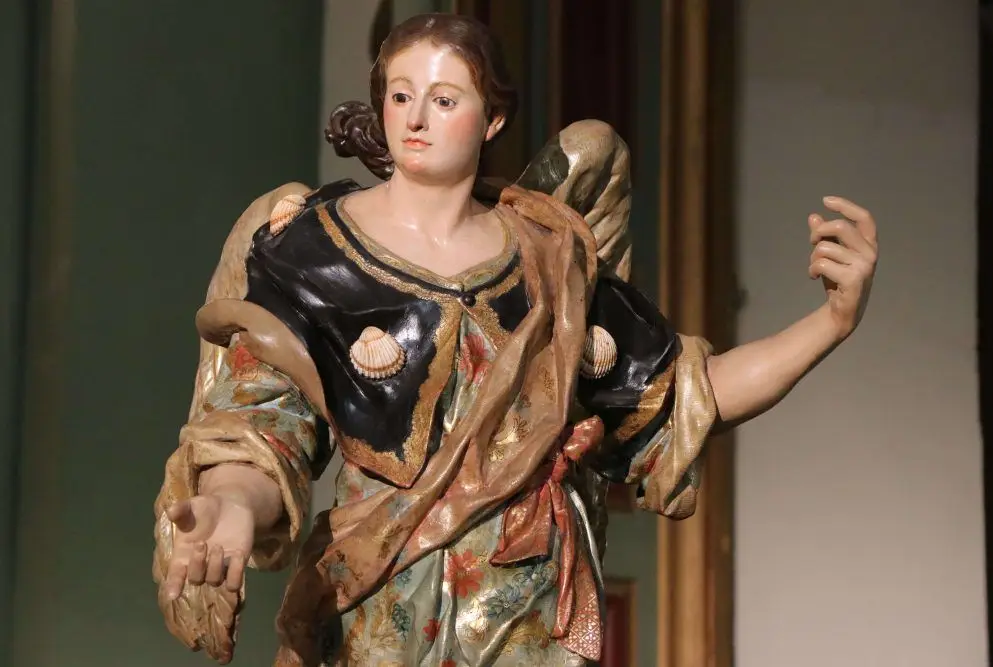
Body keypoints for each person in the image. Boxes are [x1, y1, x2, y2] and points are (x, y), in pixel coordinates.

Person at [152, 13, 878, 667]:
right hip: (378, 608)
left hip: (530, 615)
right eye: (400, 95)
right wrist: (233, 505)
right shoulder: (312, 249)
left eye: (444, 100)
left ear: (492, 118)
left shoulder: (550, 257)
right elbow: (260, 424)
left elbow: (685, 395)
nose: (416, 118)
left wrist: (831, 323)